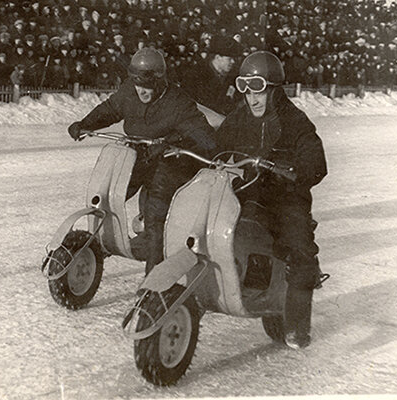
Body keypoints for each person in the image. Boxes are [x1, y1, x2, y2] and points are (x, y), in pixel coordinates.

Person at [215, 51, 328, 349]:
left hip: (285, 198)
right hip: (248, 192)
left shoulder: (295, 121)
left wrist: (295, 170)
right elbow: (217, 144)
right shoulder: (240, 117)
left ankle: (297, 326)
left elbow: (317, 161)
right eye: (247, 91)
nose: (252, 99)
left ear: (274, 89)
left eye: (259, 90)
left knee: (300, 248)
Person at [68, 47, 216, 274]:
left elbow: (205, 138)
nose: (141, 91)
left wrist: (175, 142)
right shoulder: (129, 91)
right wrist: (86, 123)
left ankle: (153, 277)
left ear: (159, 81)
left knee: (156, 213)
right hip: (139, 155)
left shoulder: (178, 102)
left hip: (169, 163)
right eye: (137, 83)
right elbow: (110, 109)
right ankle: (97, 245)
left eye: (147, 86)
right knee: (107, 195)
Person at [182, 35, 242, 116]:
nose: (233, 62)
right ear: (217, 58)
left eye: (234, 59)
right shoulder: (196, 76)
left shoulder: (232, 76)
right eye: (229, 59)